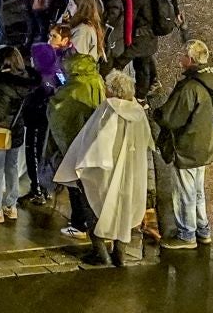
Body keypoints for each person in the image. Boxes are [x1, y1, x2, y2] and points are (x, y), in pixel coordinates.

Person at [56, 69, 151, 266]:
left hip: (104, 170)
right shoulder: (138, 111)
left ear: (112, 90)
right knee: (122, 211)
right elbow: (146, 141)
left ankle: (100, 252)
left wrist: (83, 164)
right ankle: (120, 254)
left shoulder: (108, 109)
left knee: (92, 207)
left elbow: (98, 141)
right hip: (130, 172)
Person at [151, 39, 213, 249]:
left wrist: (156, 113)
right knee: (197, 192)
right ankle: (203, 230)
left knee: (185, 193)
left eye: (183, 55)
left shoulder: (190, 88)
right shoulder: (212, 80)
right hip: (204, 145)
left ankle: (186, 235)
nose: (180, 58)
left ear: (190, 60)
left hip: (187, 147)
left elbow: (171, 118)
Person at [46, 23, 106, 242]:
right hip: (91, 141)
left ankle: (80, 224)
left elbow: (60, 110)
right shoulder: (95, 79)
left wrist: (53, 95)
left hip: (75, 142)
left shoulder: (75, 86)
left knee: (75, 184)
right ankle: (92, 223)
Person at [0, 45, 35, 224]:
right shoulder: (26, 79)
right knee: (12, 167)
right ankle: (11, 206)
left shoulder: (1, 84)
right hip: (17, 130)